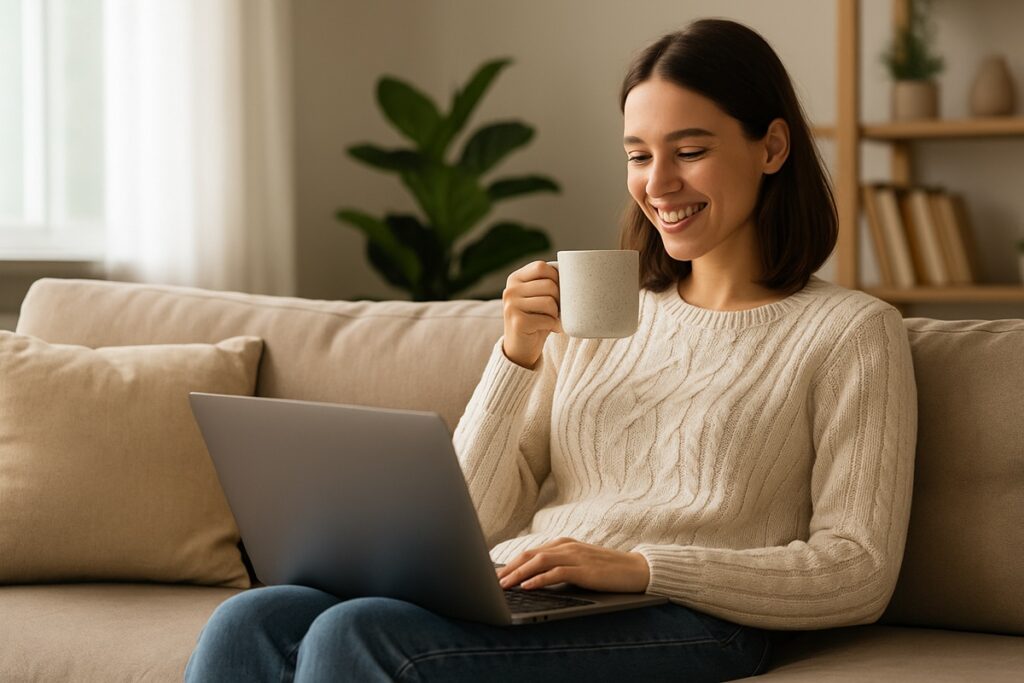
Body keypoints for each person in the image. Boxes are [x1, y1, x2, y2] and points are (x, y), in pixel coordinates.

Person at [185, 18, 917, 682]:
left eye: (689, 151)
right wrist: (516, 359)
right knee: (252, 617)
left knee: (359, 635)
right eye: (638, 155)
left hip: (695, 617)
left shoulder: (851, 332)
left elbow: (859, 568)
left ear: (773, 147)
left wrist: (639, 567)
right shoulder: (598, 317)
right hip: (543, 592)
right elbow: (470, 525)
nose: (657, 185)